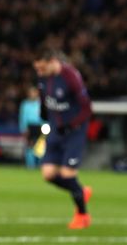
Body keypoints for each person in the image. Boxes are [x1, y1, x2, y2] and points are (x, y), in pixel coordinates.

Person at [33, 48, 93, 229]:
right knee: (48, 174)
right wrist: (44, 119)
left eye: (42, 68)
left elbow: (86, 108)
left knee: (67, 174)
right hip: (55, 130)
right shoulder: (44, 78)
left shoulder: (70, 77)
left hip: (73, 132)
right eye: (37, 69)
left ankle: (82, 215)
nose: (39, 72)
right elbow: (44, 101)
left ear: (52, 61)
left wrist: (73, 124)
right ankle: (80, 191)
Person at [19, 86, 44, 168]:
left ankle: (40, 166)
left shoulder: (41, 103)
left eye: (34, 92)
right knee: (30, 147)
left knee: (41, 148)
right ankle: (31, 166)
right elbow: (22, 117)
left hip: (41, 127)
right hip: (30, 127)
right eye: (31, 93)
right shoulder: (25, 104)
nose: (32, 94)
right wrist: (23, 129)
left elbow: (46, 116)